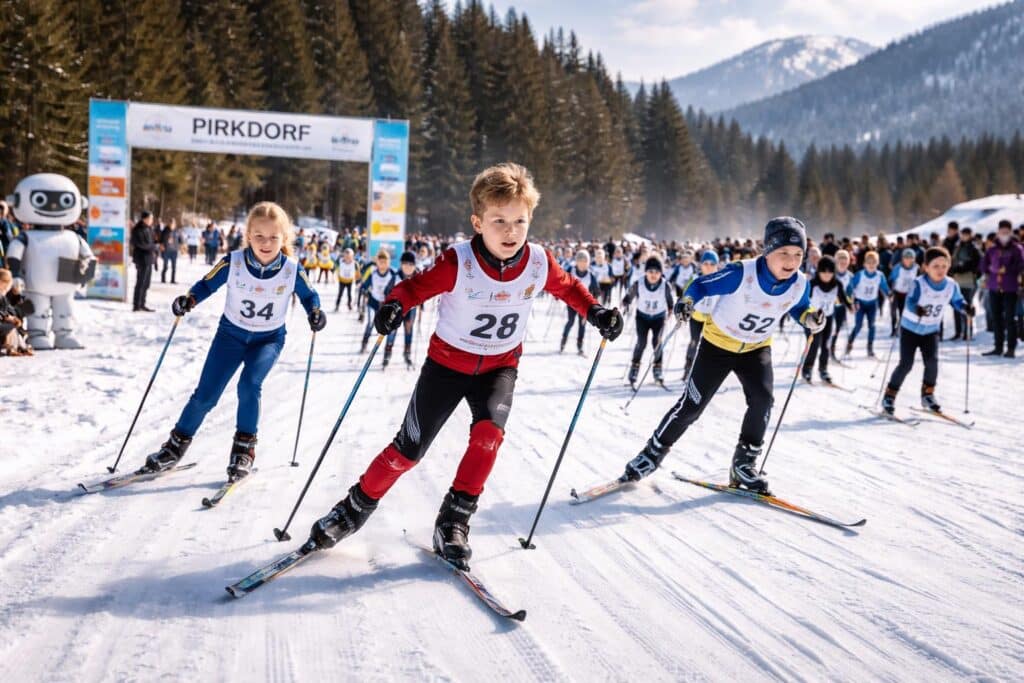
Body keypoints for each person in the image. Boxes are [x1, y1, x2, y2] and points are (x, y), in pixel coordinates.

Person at [306, 163, 622, 568]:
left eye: (519, 221)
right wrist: (395, 305)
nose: (511, 231)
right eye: (499, 221)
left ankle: (454, 520)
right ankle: (350, 510)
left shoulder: (539, 262)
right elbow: (415, 287)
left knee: (489, 436)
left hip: (499, 368)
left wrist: (596, 312)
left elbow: (569, 288)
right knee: (409, 449)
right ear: (478, 222)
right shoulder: (460, 261)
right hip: (446, 366)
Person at [620, 217, 824, 495]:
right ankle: (650, 455)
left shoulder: (800, 283)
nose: (791, 260)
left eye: (798, 254)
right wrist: (688, 301)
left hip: (756, 349)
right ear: (767, 252)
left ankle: (744, 465)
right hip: (717, 346)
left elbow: (799, 307)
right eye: (784, 253)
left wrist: (809, 318)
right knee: (691, 407)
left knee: (763, 400)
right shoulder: (742, 273)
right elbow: (702, 285)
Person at [139, 202, 323, 480]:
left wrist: (316, 313)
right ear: (248, 235)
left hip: (268, 339)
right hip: (230, 335)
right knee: (205, 395)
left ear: (283, 239)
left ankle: (244, 450)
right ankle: (173, 448)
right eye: (259, 236)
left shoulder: (291, 270)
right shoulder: (233, 262)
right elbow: (206, 284)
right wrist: (188, 299)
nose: (266, 243)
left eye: (273, 237)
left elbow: (310, 296)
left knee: (250, 385)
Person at [882, 247, 974, 415]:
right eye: (936, 266)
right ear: (925, 267)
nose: (940, 270)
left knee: (932, 363)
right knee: (906, 364)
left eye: (944, 266)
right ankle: (889, 395)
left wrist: (966, 308)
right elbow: (910, 302)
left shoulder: (951, 285)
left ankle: (928, 394)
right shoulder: (919, 283)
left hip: (931, 330)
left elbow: (957, 301)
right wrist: (916, 309)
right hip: (910, 329)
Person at [621, 256, 673, 387]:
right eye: (650, 272)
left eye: (656, 272)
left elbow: (670, 301)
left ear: (661, 273)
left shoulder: (665, 285)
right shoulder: (639, 283)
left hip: (659, 318)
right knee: (641, 342)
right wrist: (625, 302)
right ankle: (634, 368)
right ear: (646, 272)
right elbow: (630, 295)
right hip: (642, 317)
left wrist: (672, 310)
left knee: (657, 342)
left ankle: (657, 369)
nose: (653, 275)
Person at [801, 256, 849, 384]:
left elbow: (843, 298)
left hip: (828, 318)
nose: (827, 275)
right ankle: (807, 369)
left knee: (826, 345)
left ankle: (823, 369)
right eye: (823, 271)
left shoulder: (837, 284)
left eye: (830, 272)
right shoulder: (812, 284)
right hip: (813, 319)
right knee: (814, 345)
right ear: (818, 271)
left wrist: (850, 306)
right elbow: (803, 300)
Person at [980, 220, 1024, 358]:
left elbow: (1021, 265)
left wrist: (1008, 269)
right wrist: (990, 270)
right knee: (996, 318)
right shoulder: (992, 249)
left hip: (1010, 287)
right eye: (1002, 232)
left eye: (1006, 232)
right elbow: (983, 265)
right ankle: (998, 346)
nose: (1004, 234)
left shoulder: (1017, 249)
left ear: (1010, 233)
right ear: (998, 232)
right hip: (994, 286)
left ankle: (1011, 348)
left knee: (1010, 318)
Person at [682, 250, 720, 379]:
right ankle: (688, 368)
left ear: (717, 266)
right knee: (694, 341)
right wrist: (684, 307)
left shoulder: (721, 280)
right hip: (696, 316)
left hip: (712, 319)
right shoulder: (695, 278)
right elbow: (686, 294)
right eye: (706, 263)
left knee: (712, 346)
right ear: (701, 265)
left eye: (712, 264)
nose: (709, 266)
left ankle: (709, 373)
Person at [845, 250, 890, 357]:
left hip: (872, 304)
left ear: (877, 263)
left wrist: (890, 294)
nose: (871, 265)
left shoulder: (880, 275)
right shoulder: (860, 275)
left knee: (872, 326)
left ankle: (870, 348)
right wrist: (850, 298)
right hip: (860, 303)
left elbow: (884, 287)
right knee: (859, 325)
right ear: (864, 264)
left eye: (874, 262)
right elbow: (850, 287)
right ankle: (850, 342)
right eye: (869, 263)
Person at [359, 250, 398, 359]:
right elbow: (365, 285)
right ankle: (364, 342)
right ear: (377, 262)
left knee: (389, 326)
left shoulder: (392, 274)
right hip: (374, 302)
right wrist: (363, 289)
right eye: (380, 262)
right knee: (371, 322)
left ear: (388, 263)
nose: (382, 265)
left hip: (387, 305)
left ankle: (388, 350)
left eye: (385, 262)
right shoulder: (373, 274)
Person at [561, 250, 601, 355]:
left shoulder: (591, 275)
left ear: (588, 262)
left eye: (585, 261)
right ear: (577, 261)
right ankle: (563, 340)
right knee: (570, 321)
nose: (583, 264)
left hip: (584, 305)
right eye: (580, 261)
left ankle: (580, 346)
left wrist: (594, 304)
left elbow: (596, 291)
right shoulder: (571, 270)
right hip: (571, 302)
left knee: (582, 324)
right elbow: (563, 282)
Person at [949, 226, 981, 341]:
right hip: (957, 280)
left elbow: (976, 264)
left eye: (966, 235)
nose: (964, 237)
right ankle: (958, 331)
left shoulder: (973, 248)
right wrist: (953, 270)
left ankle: (969, 331)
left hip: (968, 281)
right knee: (956, 306)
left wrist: (962, 269)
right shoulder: (958, 246)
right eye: (963, 234)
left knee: (967, 306)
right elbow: (953, 260)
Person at [130, 211, 159, 312]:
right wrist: (152, 247)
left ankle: (142, 303)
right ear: (144, 218)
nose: (151, 220)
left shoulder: (149, 228)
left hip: (149, 259)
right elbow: (139, 244)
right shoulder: (137, 229)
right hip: (141, 259)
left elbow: (152, 242)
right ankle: (136, 305)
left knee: (146, 283)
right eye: (150, 218)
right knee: (140, 282)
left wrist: (155, 246)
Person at [0, 268, 33, 356]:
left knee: (15, 327)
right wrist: (7, 317)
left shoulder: (3, 297)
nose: (8, 289)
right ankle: (13, 348)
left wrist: (12, 317)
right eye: (7, 286)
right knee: (11, 327)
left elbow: (7, 310)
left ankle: (20, 347)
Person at [888, 249, 919, 336]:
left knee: (903, 313)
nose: (908, 260)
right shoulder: (898, 267)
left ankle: (901, 329)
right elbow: (891, 279)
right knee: (893, 312)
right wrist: (890, 292)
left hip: (908, 294)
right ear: (902, 259)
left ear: (914, 259)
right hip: (897, 292)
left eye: (910, 258)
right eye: (906, 258)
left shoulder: (916, 268)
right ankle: (893, 329)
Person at [830, 249, 854, 359]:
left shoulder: (850, 276)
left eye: (845, 262)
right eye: (840, 261)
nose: (843, 264)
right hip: (830, 306)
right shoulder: (831, 274)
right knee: (829, 328)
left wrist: (850, 302)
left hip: (841, 306)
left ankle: (832, 349)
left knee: (837, 328)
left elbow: (849, 292)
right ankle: (826, 348)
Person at [159, 219, 182, 284]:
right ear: (169, 224)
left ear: (175, 224)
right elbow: (160, 240)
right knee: (165, 266)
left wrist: (180, 245)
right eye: (170, 223)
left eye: (173, 224)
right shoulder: (165, 230)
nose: (172, 225)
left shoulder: (177, 231)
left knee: (174, 267)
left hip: (174, 251)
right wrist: (162, 245)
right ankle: (163, 279)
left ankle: (173, 280)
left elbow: (181, 240)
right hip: (166, 250)